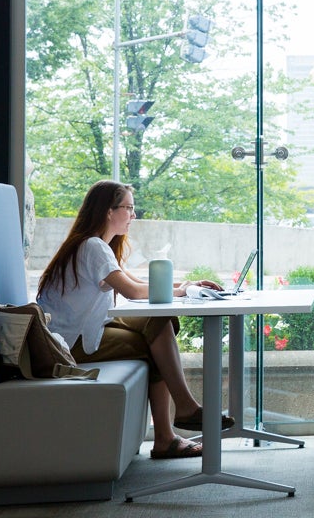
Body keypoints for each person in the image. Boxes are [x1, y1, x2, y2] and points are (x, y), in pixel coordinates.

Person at [37, 180, 234, 460]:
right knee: (152, 341)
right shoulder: (92, 246)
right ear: (108, 211)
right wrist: (179, 290)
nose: (134, 215)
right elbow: (131, 291)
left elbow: (137, 282)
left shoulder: (95, 245)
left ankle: (174, 426)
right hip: (68, 346)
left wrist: (187, 283)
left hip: (82, 333)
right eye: (128, 208)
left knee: (157, 324)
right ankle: (177, 421)